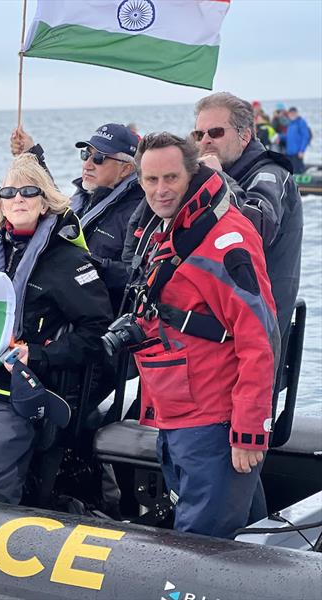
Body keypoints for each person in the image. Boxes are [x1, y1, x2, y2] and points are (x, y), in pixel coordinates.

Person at [0, 153, 113, 504]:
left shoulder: (67, 261)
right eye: (9, 191)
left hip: (11, 400)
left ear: (45, 201)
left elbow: (97, 332)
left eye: (29, 191)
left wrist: (39, 355)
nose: (18, 198)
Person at [129, 132, 280, 539]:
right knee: (246, 537)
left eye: (171, 178)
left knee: (201, 547)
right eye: (150, 180)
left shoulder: (225, 238)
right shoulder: (168, 229)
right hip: (180, 416)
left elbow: (260, 336)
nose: (160, 190)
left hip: (214, 422)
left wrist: (249, 429)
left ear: (192, 172)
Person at [193, 92, 303, 341]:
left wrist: (219, 180)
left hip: (255, 327)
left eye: (216, 132)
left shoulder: (271, 174)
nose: (206, 141)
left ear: (244, 135)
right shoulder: (218, 175)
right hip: (218, 317)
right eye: (199, 135)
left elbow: (257, 228)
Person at [11, 124, 144, 314]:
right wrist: (32, 155)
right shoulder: (87, 195)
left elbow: (138, 277)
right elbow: (58, 209)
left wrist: (86, 264)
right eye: (86, 154)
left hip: (99, 319)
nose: (87, 164)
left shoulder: (138, 212)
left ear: (126, 169)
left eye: (98, 158)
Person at [282, 106, 312, 174]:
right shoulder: (290, 124)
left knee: (298, 171)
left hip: (297, 153)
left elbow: (305, 137)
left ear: (297, 113)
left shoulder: (301, 122)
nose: (292, 115)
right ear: (288, 114)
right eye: (290, 113)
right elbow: (288, 137)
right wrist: (280, 137)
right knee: (290, 171)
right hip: (289, 153)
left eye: (294, 113)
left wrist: (302, 150)